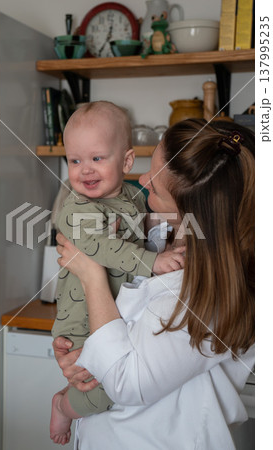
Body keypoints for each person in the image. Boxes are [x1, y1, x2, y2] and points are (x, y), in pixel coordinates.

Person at [53, 118, 255, 449]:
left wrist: (91, 276)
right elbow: (113, 331)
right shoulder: (161, 235)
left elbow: (125, 382)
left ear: (193, 212)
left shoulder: (211, 295)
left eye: (156, 187)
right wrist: (79, 355)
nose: (143, 180)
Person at [50, 101, 185, 445]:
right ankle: (63, 406)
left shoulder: (133, 197)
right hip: (81, 319)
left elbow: (143, 237)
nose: (85, 170)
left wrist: (162, 252)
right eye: (75, 160)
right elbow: (101, 249)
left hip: (111, 315)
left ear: (125, 161)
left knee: (99, 380)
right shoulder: (77, 206)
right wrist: (153, 262)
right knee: (101, 390)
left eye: (97, 159)